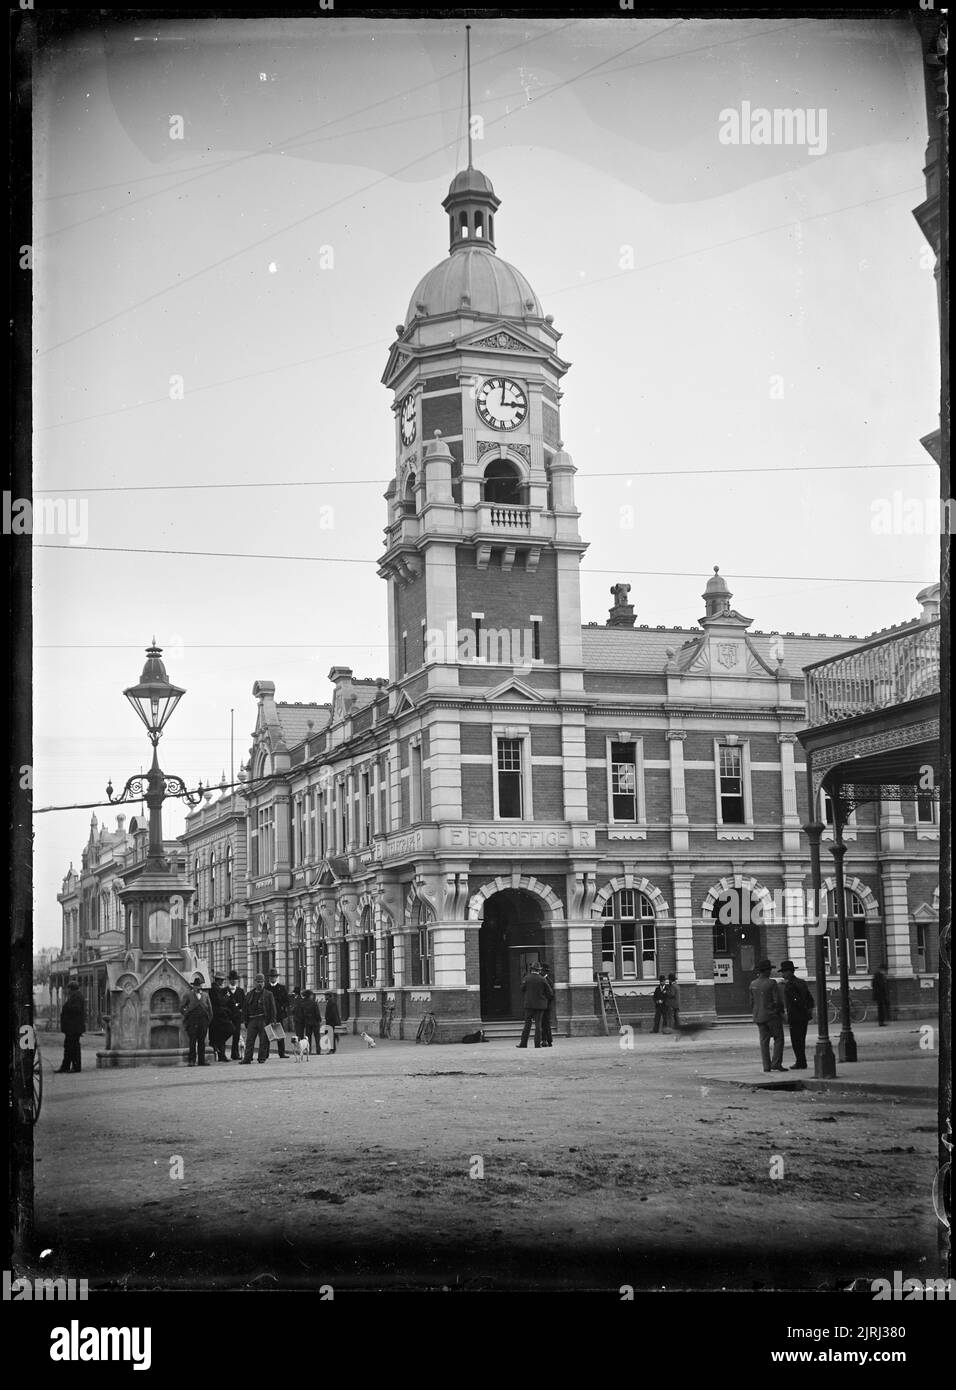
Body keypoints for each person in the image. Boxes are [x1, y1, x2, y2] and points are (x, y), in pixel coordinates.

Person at [750, 959, 785, 1072]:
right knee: (779, 1038)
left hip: (759, 1016)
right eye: (769, 969)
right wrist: (779, 1012)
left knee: (764, 1041)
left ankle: (766, 1066)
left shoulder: (753, 984)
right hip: (771, 1015)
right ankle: (776, 1063)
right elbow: (777, 1001)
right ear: (765, 971)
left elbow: (751, 1002)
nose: (770, 971)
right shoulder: (771, 983)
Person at [779, 960, 813, 1070]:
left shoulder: (789, 985)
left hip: (795, 1016)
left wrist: (796, 1010)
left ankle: (800, 1062)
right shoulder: (802, 982)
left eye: (784, 972)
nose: (783, 974)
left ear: (789, 972)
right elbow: (809, 998)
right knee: (801, 1039)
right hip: (804, 1016)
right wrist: (808, 1010)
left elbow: (796, 1000)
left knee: (796, 1041)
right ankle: (801, 1061)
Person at [241, 973, 276, 1064]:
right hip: (252, 1019)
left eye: (261, 982)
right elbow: (245, 1008)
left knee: (263, 1040)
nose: (260, 984)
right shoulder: (249, 994)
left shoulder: (269, 994)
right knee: (249, 1040)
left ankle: (261, 1058)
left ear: (264, 983)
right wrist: (244, 1021)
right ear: (254, 982)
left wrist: (272, 1021)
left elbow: (273, 1009)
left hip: (263, 1019)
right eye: (258, 982)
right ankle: (247, 1058)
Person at [516, 963, 553, 1049]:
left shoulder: (526, 978)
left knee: (527, 1025)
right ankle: (537, 1044)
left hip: (529, 1005)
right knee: (538, 1025)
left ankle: (523, 1043)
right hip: (540, 1006)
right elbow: (550, 993)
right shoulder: (542, 979)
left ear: (531, 969)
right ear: (539, 970)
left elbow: (522, 989)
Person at [181, 973, 212, 1067]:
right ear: (193, 986)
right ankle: (192, 1060)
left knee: (202, 1041)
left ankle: (202, 1060)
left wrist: (208, 1020)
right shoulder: (188, 995)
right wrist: (187, 1015)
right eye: (196, 986)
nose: (198, 987)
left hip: (203, 1021)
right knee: (192, 1041)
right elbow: (182, 1007)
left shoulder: (205, 995)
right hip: (192, 1021)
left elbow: (210, 1009)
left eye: (199, 985)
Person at [57, 981, 86, 1073]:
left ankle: (75, 1067)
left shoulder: (77, 997)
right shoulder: (74, 996)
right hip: (71, 1028)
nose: (67, 990)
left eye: (68, 988)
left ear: (72, 989)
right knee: (68, 1047)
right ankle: (65, 1066)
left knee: (73, 1048)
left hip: (74, 1028)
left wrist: (66, 1008)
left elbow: (76, 1010)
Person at [208, 971, 233, 1062]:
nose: (222, 982)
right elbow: (220, 1002)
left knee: (221, 1035)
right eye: (221, 980)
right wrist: (227, 996)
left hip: (219, 1016)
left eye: (222, 980)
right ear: (217, 980)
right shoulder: (215, 988)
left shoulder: (216, 988)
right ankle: (218, 1046)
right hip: (218, 1017)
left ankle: (221, 1054)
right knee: (230, 1029)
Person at [267, 967, 290, 1058]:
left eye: (274, 976)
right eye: (271, 977)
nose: (273, 978)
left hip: (279, 1014)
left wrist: (282, 1007)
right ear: (269, 978)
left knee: (280, 1034)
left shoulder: (282, 988)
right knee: (268, 1034)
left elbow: (287, 1001)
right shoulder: (266, 988)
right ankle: (265, 1053)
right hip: (268, 1014)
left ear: (277, 977)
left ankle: (281, 1053)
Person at [225, 970, 246, 1060]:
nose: (234, 981)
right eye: (232, 979)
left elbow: (243, 1004)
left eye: (235, 979)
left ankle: (235, 1054)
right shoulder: (225, 991)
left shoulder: (240, 991)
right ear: (229, 980)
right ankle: (222, 1053)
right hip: (227, 1017)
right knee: (225, 1034)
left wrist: (242, 1017)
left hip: (237, 1017)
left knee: (236, 1036)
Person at [295, 989, 322, 1055]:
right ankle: (318, 1050)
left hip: (307, 1022)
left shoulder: (302, 1003)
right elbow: (317, 1013)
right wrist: (319, 1020)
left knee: (308, 1037)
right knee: (317, 1037)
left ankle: (308, 1050)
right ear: (310, 995)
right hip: (315, 1022)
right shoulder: (314, 1003)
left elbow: (300, 1014)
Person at [538, 961, 555, 1047]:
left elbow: (551, 995)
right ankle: (547, 1040)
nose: (540, 972)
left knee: (545, 1024)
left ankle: (546, 1040)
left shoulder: (547, 980)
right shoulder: (545, 979)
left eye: (542, 971)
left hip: (545, 1006)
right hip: (545, 1005)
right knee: (545, 1023)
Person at [872, 961, 891, 1026]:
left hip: (881, 995)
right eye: (885, 970)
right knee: (881, 1008)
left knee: (882, 1007)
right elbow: (878, 985)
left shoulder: (881, 975)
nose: (885, 971)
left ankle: (883, 1020)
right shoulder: (878, 975)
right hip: (879, 995)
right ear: (882, 969)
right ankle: (881, 1022)